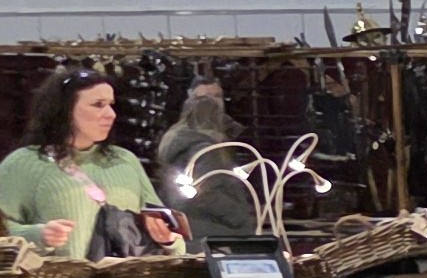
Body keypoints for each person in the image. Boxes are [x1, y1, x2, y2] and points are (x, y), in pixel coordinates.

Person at [0, 69, 182, 260]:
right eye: (98, 105)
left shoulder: (125, 161)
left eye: (111, 105)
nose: (111, 114)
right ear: (64, 110)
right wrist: (38, 236)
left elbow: (170, 235)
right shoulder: (24, 163)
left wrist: (168, 240)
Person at [152, 78, 258, 241]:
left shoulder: (180, 141)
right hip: (214, 229)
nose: (213, 101)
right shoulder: (204, 148)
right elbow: (206, 193)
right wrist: (240, 215)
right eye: (205, 97)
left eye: (217, 96)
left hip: (192, 225)